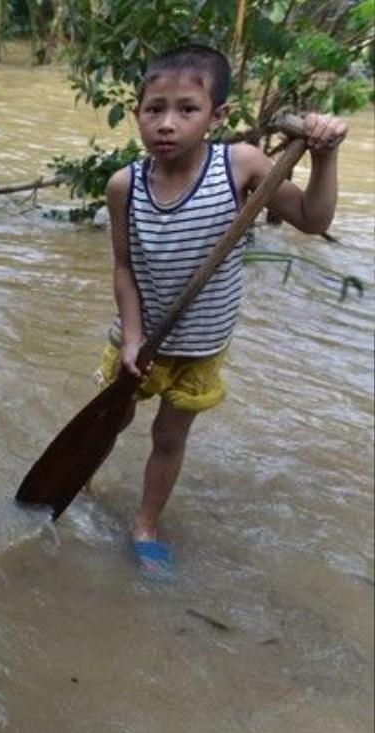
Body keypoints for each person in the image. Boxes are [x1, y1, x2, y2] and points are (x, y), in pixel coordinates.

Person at [96, 44, 347, 579]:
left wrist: (324, 156)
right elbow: (123, 267)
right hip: (137, 342)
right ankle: (79, 486)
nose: (166, 124)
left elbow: (310, 218)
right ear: (136, 111)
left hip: (199, 349)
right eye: (153, 108)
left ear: (218, 116)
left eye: (186, 109)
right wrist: (133, 339)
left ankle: (145, 525)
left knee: (169, 438)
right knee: (109, 419)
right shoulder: (124, 186)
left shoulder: (241, 166)